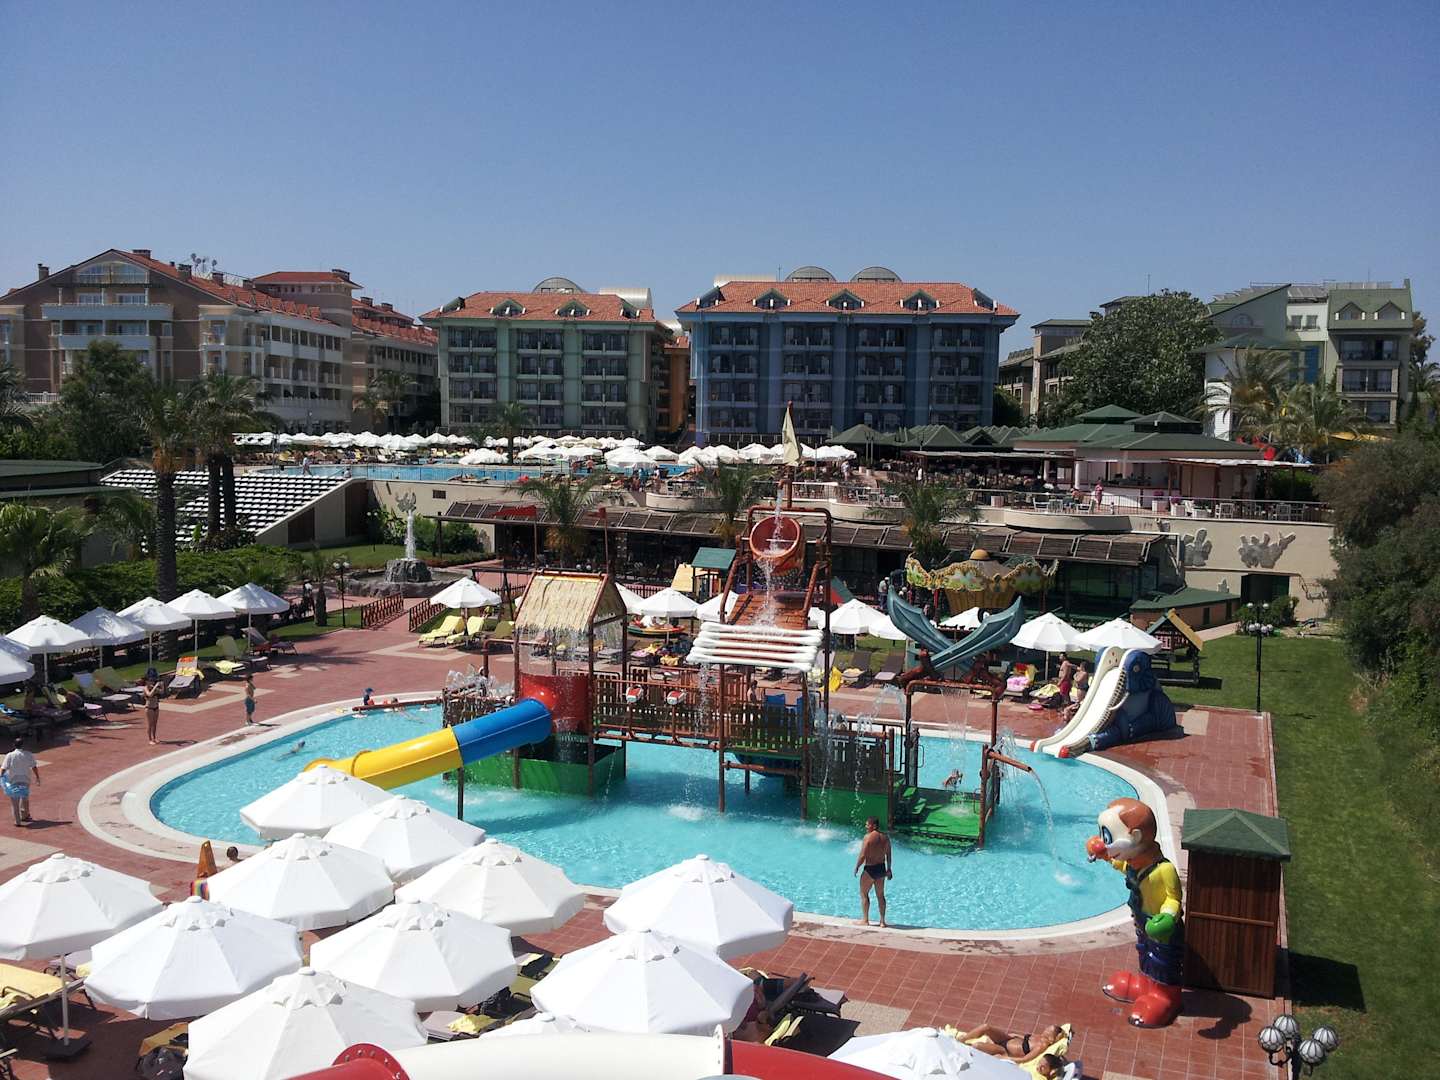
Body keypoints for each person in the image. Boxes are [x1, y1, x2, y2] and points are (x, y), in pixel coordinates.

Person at [853, 816, 892, 927]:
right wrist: (889, 868)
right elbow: (889, 855)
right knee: (881, 896)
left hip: (870, 870)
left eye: (867, 824)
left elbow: (863, 855)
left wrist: (857, 867)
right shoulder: (885, 838)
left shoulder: (868, 837)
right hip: (881, 869)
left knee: (864, 894)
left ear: (874, 826)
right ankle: (882, 921)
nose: (866, 826)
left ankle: (865, 920)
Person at [961, 1023, 1065, 1064]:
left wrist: (1005, 1058)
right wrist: (1011, 1036)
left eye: (1048, 1031)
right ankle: (961, 1039)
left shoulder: (1042, 1045)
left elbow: (1025, 1059)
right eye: (1047, 1028)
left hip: (1004, 1051)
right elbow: (1024, 1039)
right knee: (986, 1027)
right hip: (1006, 1039)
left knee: (977, 1046)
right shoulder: (1040, 1036)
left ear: (1052, 1037)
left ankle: (960, 1048)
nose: (1045, 1030)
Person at [2, 736, 39, 827]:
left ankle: (17, 821)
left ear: (14, 745)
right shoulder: (28, 754)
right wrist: (37, 777)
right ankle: (25, 815)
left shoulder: (10, 755)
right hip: (25, 779)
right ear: (23, 745)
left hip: (13, 780)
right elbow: (34, 766)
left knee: (15, 802)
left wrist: (1, 776)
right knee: (24, 798)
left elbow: (3, 768)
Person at [143, 676, 162, 745]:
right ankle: (150, 739)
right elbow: (149, 695)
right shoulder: (145, 688)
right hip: (149, 708)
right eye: (150, 681)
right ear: (146, 682)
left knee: (155, 724)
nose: (152, 682)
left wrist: (162, 686)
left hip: (156, 707)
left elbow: (161, 692)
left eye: (152, 681)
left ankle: (154, 737)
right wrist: (155, 687)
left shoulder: (153, 687)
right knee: (150, 724)